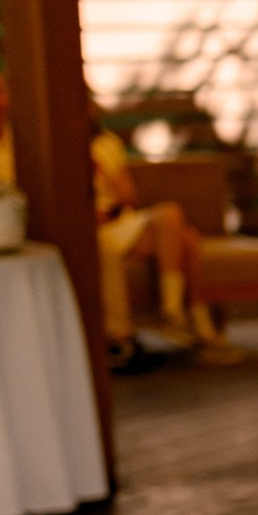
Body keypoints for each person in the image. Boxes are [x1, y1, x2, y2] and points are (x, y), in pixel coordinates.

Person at [88, 112, 199, 372]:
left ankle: (172, 312)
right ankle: (123, 339)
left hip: (119, 220)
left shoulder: (107, 143)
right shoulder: (54, 145)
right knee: (186, 239)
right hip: (92, 230)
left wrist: (104, 171)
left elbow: (129, 196)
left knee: (172, 218)